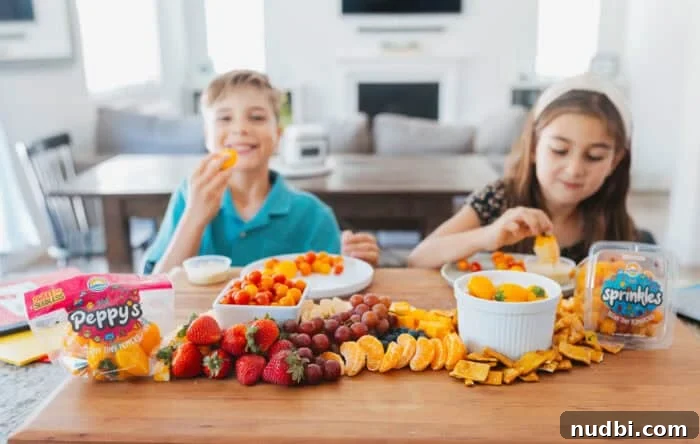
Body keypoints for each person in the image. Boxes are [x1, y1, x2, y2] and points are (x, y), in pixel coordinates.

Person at [143, 70, 379, 274]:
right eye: (225, 118)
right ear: (207, 135)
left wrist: (352, 262)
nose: (241, 128)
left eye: (256, 117)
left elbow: (338, 291)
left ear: (278, 135)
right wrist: (194, 217)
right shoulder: (189, 196)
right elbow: (156, 289)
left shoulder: (313, 215)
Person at [408, 73, 645, 269]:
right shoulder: (498, 198)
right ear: (532, 147)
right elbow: (418, 259)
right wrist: (488, 235)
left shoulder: (614, 223)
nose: (574, 170)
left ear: (614, 161)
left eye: (594, 156)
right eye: (559, 150)